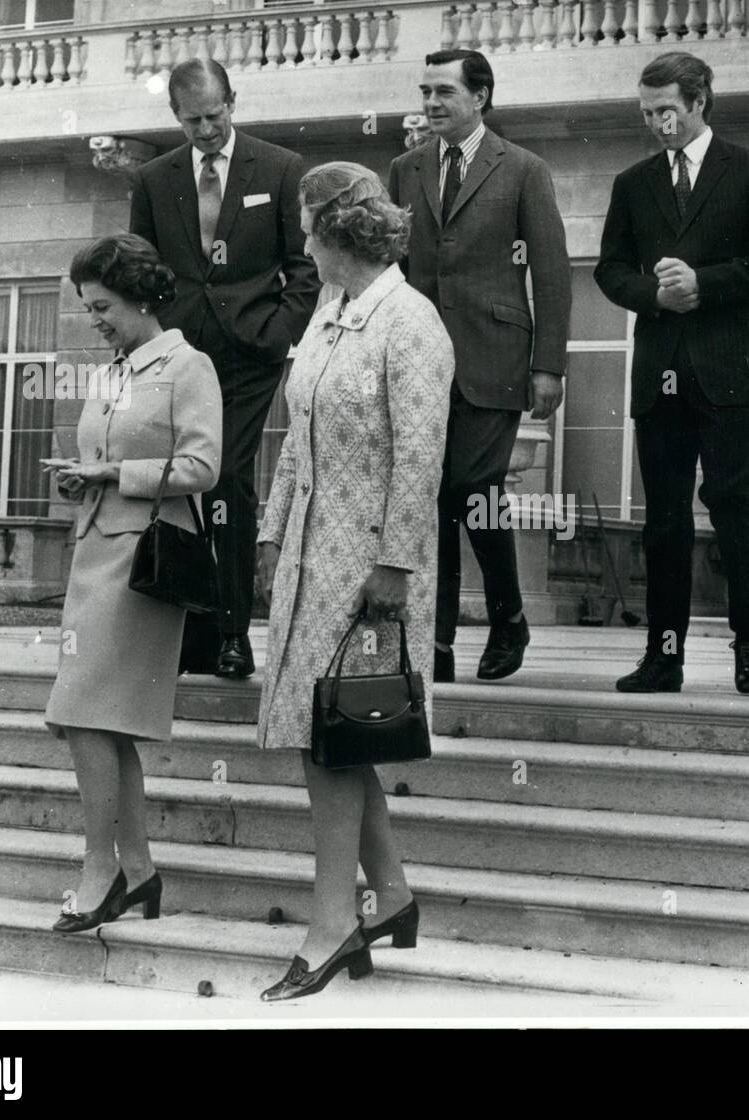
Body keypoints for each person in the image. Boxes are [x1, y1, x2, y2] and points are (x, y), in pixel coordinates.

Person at [254, 164, 454, 1001]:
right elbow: (296, 434)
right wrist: (269, 533)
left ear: (340, 233)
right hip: (309, 554)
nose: (301, 246)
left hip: (371, 564)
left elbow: (420, 456)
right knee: (331, 728)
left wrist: (395, 566)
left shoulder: (409, 321)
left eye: (306, 231)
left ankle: (333, 921)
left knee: (334, 735)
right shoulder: (331, 312)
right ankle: (394, 896)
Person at [595, 52, 749, 695]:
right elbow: (610, 269)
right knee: (666, 521)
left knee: (733, 508)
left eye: (668, 112)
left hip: (730, 369)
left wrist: (701, 285)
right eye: (648, 113)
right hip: (661, 373)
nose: (659, 125)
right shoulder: (632, 183)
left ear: (701, 101)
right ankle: (664, 655)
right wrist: (655, 297)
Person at [43, 233, 222, 932]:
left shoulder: (188, 366)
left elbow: (203, 470)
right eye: (89, 309)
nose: (96, 321)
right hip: (92, 559)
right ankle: (139, 872)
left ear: (143, 297)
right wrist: (79, 479)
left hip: (145, 566)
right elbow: (102, 459)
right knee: (105, 728)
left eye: (104, 306)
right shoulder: (110, 372)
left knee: (84, 715)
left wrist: (117, 474)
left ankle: (101, 867)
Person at [130, 57, 320, 679]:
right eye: (193, 120)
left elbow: (305, 266)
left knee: (225, 477)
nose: (207, 130)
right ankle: (193, 631)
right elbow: (140, 272)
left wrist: (277, 332)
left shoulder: (281, 168)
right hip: (180, 357)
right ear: (174, 116)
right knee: (183, 481)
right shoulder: (154, 179)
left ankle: (235, 633)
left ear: (232, 102)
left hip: (248, 357)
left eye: (216, 115)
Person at [388, 48, 572, 685]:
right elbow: (395, 270)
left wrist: (548, 365)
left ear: (481, 97)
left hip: (494, 359)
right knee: (437, 495)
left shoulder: (523, 169)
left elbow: (550, 273)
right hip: (418, 361)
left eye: (444, 91)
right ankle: (436, 641)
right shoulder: (405, 168)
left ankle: (506, 616)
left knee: (468, 486)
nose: (431, 103)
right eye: (425, 91)